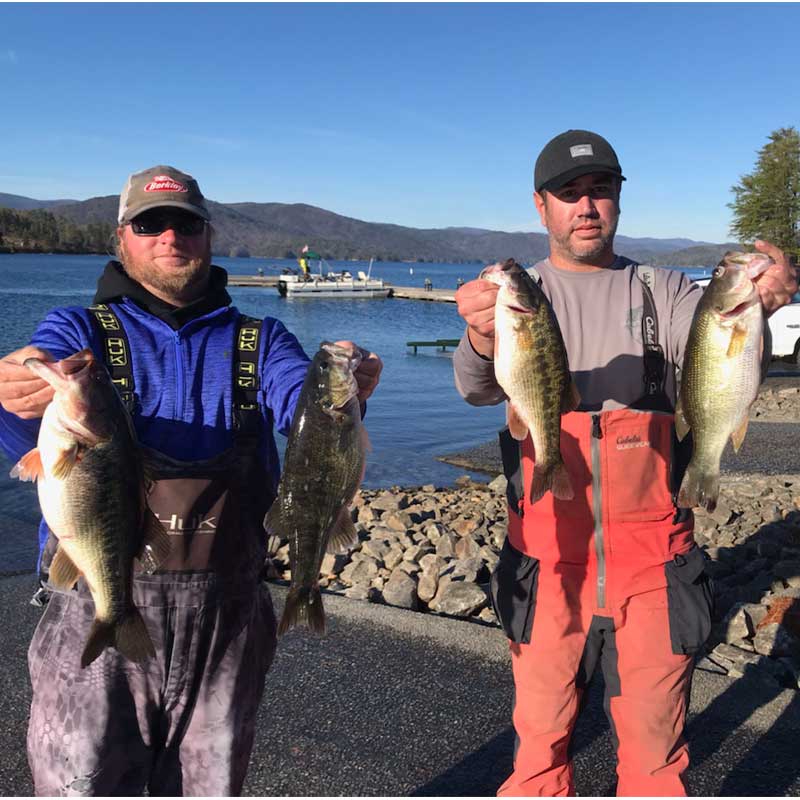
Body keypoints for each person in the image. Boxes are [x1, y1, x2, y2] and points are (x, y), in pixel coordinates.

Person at [0, 164, 383, 796]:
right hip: (97, 594)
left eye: (186, 224)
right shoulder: (79, 333)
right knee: (80, 782)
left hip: (227, 617)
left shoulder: (263, 340)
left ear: (208, 236)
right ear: (122, 238)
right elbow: (29, 428)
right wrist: (15, 391)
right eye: (150, 224)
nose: (169, 237)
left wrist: (338, 395)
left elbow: (297, 400)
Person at [453, 130, 797, 797]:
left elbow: (717, 337)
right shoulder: (519, 295)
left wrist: (761, 295)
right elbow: (474, 385)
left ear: (616, 202)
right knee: (539, 749)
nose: (587, 207)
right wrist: (477, 333)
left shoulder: (660, 290)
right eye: (570, 194)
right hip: (547, 559)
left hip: (655, 563)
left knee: (656, 753)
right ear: (541, 206)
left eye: (600, 192)